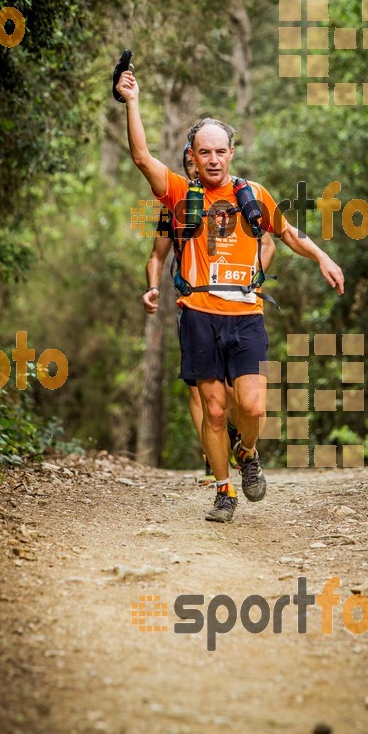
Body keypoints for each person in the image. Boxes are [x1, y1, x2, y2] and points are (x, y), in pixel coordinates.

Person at [118, 69, 344, 523]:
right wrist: (133, 101)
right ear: (194, 156)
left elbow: (287, 232)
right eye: (205, 152)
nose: (214, 159)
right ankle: (224, 492)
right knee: (215, 411)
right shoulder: (181, 195)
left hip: (246, 314)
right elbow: (142, 157)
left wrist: (321, 256)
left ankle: (249, 451)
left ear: (232, 153)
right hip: (199, 315)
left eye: (221, 151)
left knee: (253, 406)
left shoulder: (253, 194)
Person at [142, 143, 276, 485]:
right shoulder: (174, 204)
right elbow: (156, 255)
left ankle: (240, 446)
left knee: (240, 396)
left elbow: (269, 241)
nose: (198, 167)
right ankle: (211, 459)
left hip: (237, 305)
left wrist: (250, 280)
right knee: (201, 393)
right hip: (193, 304)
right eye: (194, 161)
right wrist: (154, 286)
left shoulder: (238, 199)